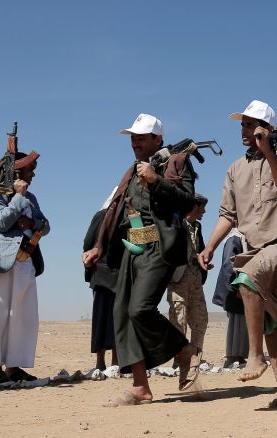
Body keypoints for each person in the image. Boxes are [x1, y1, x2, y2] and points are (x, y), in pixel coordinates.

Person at [82, 113, 197, 405]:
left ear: (157, 138)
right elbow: (115, 211)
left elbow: (186, 201)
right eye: (133, 137)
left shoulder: (177, 162)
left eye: (141, 137)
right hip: (133, 249)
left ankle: (183, 350)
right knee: (122, 313)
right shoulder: (131, 172)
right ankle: (140, 387)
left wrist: (156, 180)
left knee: (140, 309)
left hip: (160, 247)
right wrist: (99, 246)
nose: (135, 142)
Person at [197, 100, 277, 409]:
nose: (245, 130)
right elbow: (227, 215)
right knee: (269, 318)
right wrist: (210, 246)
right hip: (253, 250)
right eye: (242, 124)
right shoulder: (235, 169)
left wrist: (269, 151)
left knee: (247, 279)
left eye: (251, 124)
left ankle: (254, 355)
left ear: (268, 128)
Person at [0, 149, 49, 384]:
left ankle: (14, 369)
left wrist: (32, 222)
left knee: (21, 317)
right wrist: (17, 197)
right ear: (15, 172)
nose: (33, 175)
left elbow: (45, 226)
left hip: (25, 261)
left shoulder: (31, 197)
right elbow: (2, 222)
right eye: (30, 170)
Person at [166, 193, 208, 383]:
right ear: (193, 207)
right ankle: (180, 361)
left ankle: (194, 359)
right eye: (202, 208)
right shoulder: (176, 224)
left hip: (195, 282)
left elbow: (200, 250)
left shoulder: (197, 228)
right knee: (178, 322)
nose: (204, 211)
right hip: (178, 282)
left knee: (200, 320)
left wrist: (202, 260)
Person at [84, 190, 119, 371]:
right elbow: (88, 242)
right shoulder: (101, 216)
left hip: (122, 276)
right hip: (102, 275)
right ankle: (100, 362)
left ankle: (116, 361)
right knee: (102, 318)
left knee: (119, 319)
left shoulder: (132, 217)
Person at [211, 230, 249, 368]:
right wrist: (236, 287)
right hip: (236, 288)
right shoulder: (235, 238)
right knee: (236, 322)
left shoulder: (241, 238)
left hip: (241, 286)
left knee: (242, 321)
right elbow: (229, 265)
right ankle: (233, 357)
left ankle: (239, 356)